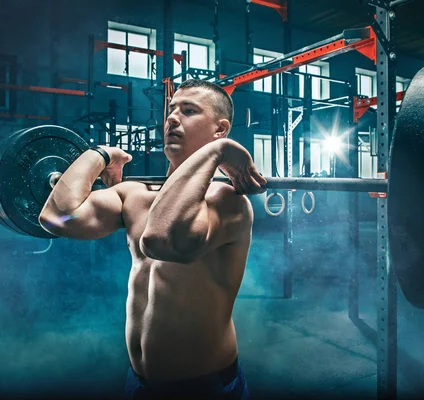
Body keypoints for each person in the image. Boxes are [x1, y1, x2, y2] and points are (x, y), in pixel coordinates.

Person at [38, 79, 267, 399]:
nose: (172, 118)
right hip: (138, 384)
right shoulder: (135, 194)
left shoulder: (228, 201)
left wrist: (219, 152)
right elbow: (57, 217)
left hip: (204, 388)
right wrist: (99, 155)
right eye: (171, 110)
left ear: (220, 129)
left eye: (188, 111)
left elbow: (162, 240)